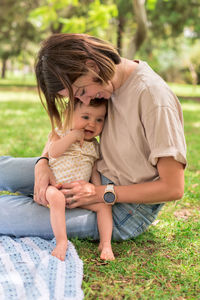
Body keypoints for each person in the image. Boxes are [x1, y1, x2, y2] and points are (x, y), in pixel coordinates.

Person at [0, 33, 186, 245]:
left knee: (4, 213)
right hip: (84, 171)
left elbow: (173, 188)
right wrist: (42, 162)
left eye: (81, 92)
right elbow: (65, 130)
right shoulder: (100, 85)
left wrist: (100, 193)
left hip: (120, 211)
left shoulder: (153, 97)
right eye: (77, 98)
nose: (84, 100)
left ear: (92, 66)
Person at [45, 97, 114, 261]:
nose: (92, 124)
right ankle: (62, 241)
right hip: (57, 189)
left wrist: (97, 191)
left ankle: (106, 244)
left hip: (79, 195)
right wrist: (72, 136)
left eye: (99, 120)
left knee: (104, 207)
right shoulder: (60, 133)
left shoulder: (95, 146)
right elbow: (53, 152)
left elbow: (94, 171)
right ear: (69, 115)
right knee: (55, 197)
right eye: (86, 117)